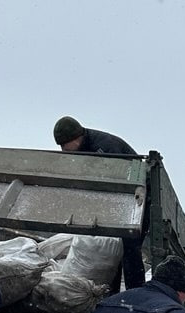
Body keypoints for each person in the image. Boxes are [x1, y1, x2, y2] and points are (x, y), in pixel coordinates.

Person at [52, 116, 146, 290]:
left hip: (135, 200)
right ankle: (110, 293)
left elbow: (122, 177)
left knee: (129, 247)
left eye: (65, 145)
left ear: (76, 138)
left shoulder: (104, 147)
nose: (63, 150)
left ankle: (135, 292)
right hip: (115, 200)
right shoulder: (82, 149)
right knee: (113, 251)